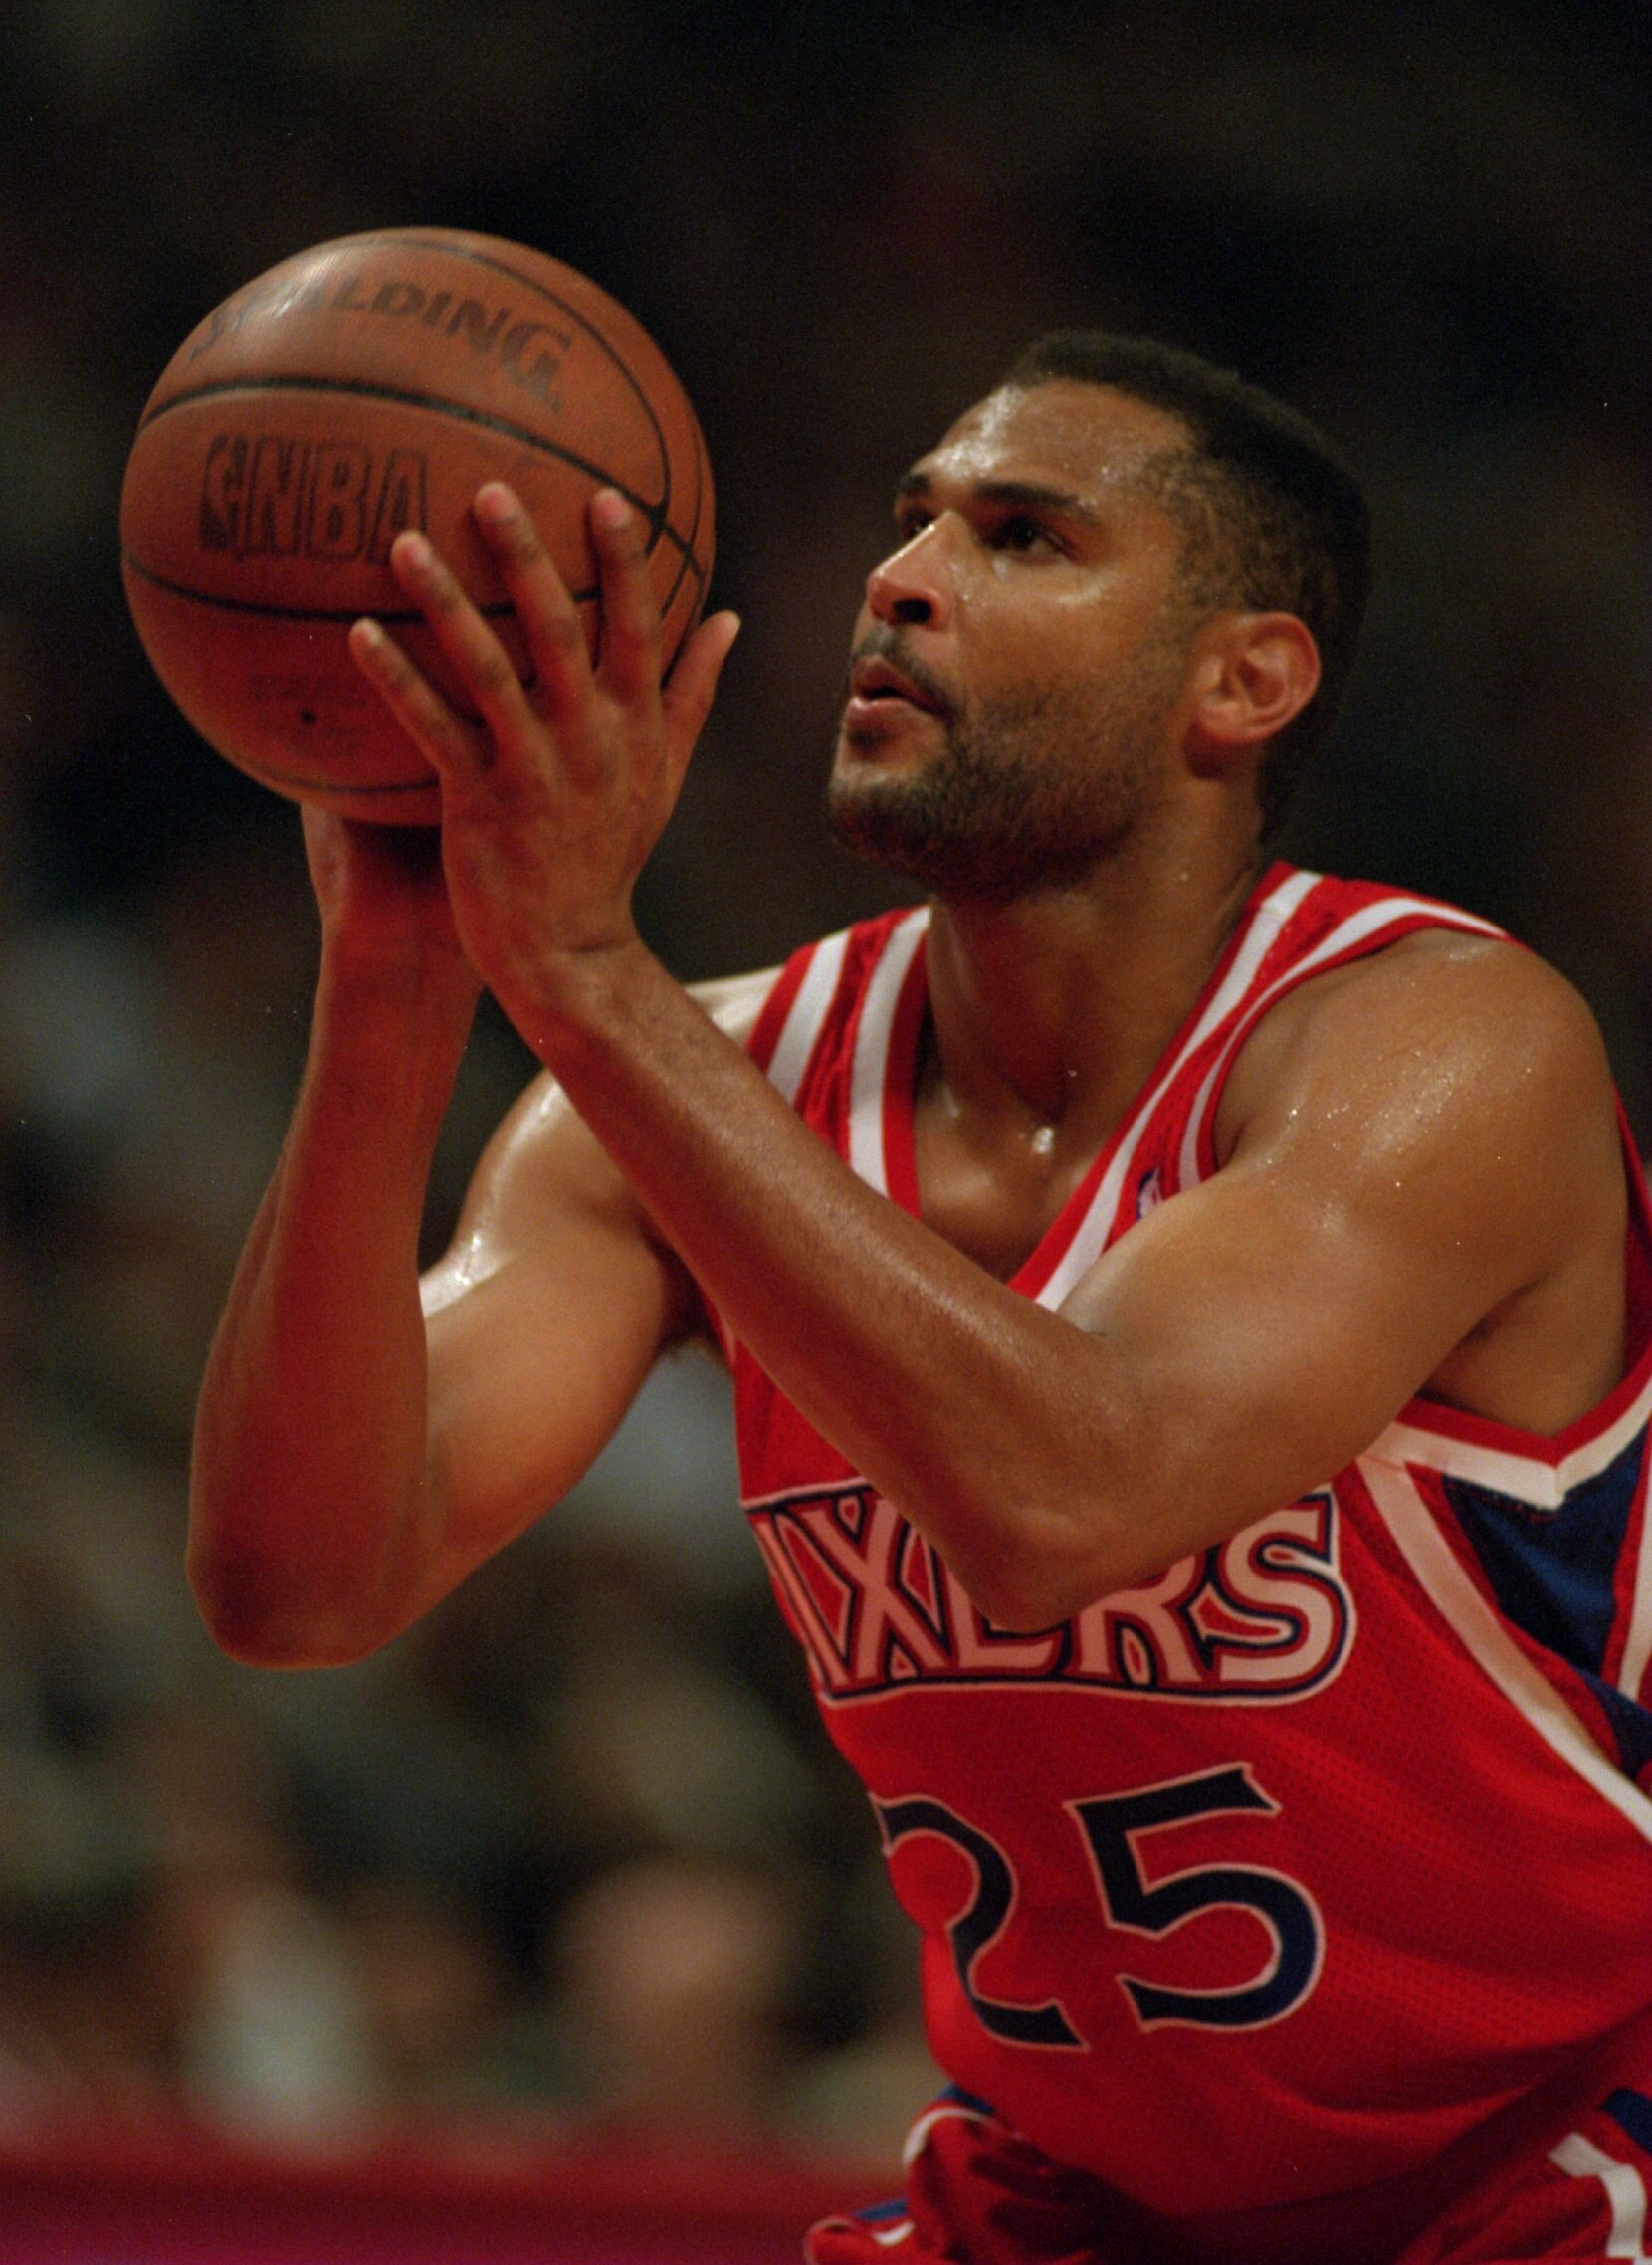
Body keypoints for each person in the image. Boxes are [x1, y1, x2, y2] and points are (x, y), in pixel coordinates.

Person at [187, 331, 1652, 2265]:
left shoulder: (1435, 1045)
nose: (900, 576)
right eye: (911, 519)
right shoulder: (704, 1078)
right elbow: (299, 1584)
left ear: (1243, 680)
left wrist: (582, 973)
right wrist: (394, 991)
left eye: (1022, 536)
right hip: (1071, 2192)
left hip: (1544, 2160)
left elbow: (1069, 1494)